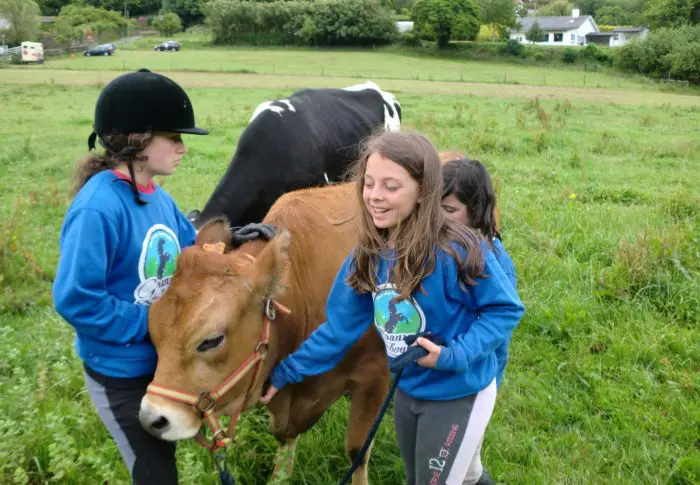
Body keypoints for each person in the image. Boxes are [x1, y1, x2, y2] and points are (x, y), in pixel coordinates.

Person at [260, 130, 524, 485]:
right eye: (369, 183)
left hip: (459, 391)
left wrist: (454, 356)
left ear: (424, 192)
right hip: (409, 389)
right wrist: (285, 372)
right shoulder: (367, 256)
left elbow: (504, 310)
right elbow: (339, 330)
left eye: (391, 186)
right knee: (446, 476)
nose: (375, 196)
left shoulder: (460, 249)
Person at [53, 68, 208, 484]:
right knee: (156, 473)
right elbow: (76, 298)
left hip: (159, 362)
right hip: (119, 372)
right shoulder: (98, 208)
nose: (182, 148)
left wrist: (241, 238)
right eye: (173, 137)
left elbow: (192, 250)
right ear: (137, 139)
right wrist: (156, 324)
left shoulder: (158, 197)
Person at [441, 156, 521, 484]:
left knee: (464, 468)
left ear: (476, 211)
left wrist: (462, 358)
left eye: (448, 211)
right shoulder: (445, 249)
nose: (436, 219)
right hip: (446, 377)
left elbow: (497, 336)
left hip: (475, 382)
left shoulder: (494, 260)